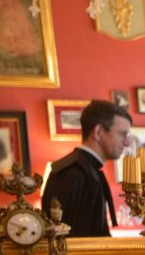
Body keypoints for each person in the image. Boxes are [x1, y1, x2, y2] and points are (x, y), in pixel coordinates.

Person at [39, 99, 130, 236]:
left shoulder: (82, 170)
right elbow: (75, 240)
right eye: (122, 134)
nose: (127, 142)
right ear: (98, 132)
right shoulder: (78, 174)